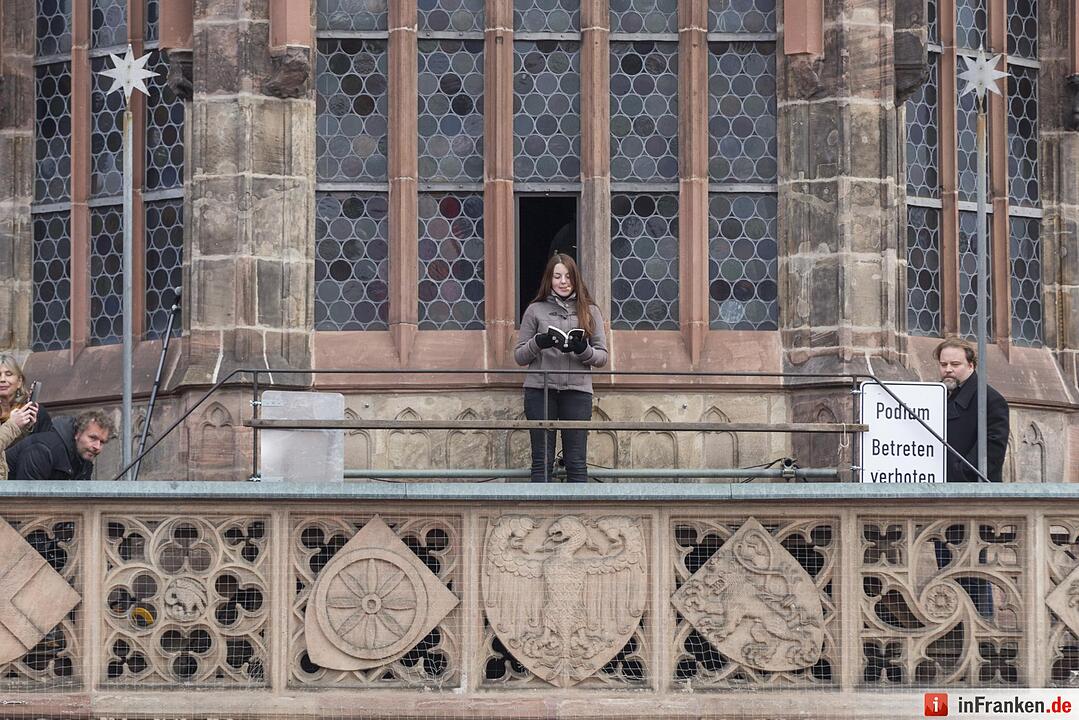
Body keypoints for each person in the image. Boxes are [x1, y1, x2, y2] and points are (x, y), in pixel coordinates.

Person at [514, 254, 608, 482]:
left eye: (568, 276)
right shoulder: (535, 310)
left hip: (577, 392)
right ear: (550, 279)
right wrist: (538, 342)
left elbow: (602, 357)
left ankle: (579, 516)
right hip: (540, 391)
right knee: (542, 461)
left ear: (575, 279)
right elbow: (519, 356)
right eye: (557, 276)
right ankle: (540, 515)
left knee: (576, 461)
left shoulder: (591, 311)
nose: (563, 281)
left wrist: (582, 350)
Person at [935, 337, 1010, 483]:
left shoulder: (991, 400)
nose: (948, 369)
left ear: (971, 366)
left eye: (955, 364)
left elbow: (992, 450)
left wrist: (958, 471)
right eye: (943, 364)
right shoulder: (934, 395)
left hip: (971, 493)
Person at [6, 409, 115, 481]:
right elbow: (26, 500)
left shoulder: (84, 458)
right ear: (77, 433)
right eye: (93, 438)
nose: (97, 447)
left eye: (102, 442)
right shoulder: (43, 450)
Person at [0, 354, 51, 436]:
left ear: (19, 381)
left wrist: (29, 427)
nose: (2, 379)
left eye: (8, 374)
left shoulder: (35, 413)